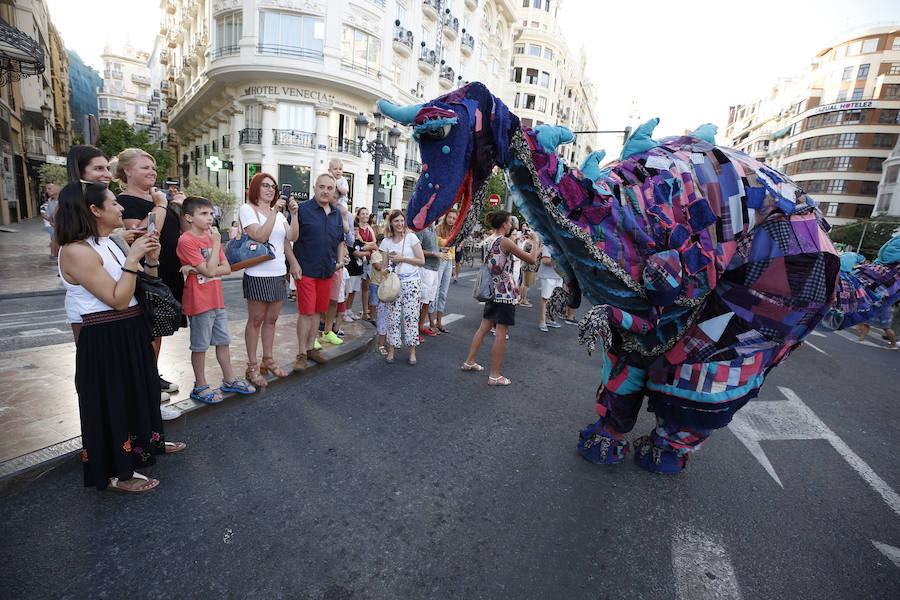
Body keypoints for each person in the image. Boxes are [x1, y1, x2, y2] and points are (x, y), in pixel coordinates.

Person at [55, 181, 185, 493]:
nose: (122, 207)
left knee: (140, 391)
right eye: (114, 203)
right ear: (94, 210)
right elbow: (116, 299)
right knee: (112, 402)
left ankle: (148, 446)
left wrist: (150, 258)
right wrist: (132, 258)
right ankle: (116, 474)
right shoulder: (75, 251)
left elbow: (141, 283)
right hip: (104, 335)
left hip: (130, 328)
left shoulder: (111, 242)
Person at [112, 148, 185, 401]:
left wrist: (179, 207)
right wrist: (162, 205)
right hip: (145, 274)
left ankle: (151, 373)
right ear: (127, 171)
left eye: (153, 168)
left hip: (166, 273)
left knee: (158, 328)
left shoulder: (156, 200)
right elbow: (147, 232)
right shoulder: (125, 202)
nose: (152, 172)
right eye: (145, 167)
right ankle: (144, 379)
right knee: (146, 330)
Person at [177, 196, 257, 403]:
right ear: (189, 217)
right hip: (198, 301)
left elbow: (227, 268)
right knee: (200, 346)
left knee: (223, 342)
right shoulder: (187, 240)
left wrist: (200, 267)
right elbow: (212, 269)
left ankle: (229, 379)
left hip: (216, 299)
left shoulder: (210, 237)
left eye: (211, 213)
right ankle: (200, 385)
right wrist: (212, 252)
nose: (210, 218)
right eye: (203, 214)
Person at [462, 210, 539, 385]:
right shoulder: (505, 241)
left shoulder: (489, 240)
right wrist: (535, 242)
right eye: (510, 222)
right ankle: (494, 375)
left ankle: (469, 362)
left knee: (483, 328)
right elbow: (532, 259)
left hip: (491, 291)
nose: (511, 225)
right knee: (500, 334)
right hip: (504, 293)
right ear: (505, 225)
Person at [238, 172, 299, 387]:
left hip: (277, 273)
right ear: (255, 187)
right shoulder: (248, 209)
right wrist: (275, 211)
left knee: (272, 321)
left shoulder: (280, 214)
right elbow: (260, 235)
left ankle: (268, 360)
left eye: (273, 186)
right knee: (255, 321)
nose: (270, 189)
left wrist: (294, 215)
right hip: (257, 274)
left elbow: (291, 238)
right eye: (265, 185)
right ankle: (252, 366)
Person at [287, 173, 350, 372]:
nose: (325, 191)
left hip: (327, 271)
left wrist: (339, 261)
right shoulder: (301, 210)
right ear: (314, 188)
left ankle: (310, 347)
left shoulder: (336, 214)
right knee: (305, 312)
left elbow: (340, 240)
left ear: (334, 192)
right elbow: (288, 239)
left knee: (317, 312)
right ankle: (301, 353)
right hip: (305, 270)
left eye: (329, 188)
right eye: (321, 187)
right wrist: (293, 264)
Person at [379, 209, 425, 364]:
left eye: (401, 220)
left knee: (411, 318)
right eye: (396, 221)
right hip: (394, 285)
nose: (399, 224)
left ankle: (412, 352)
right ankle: (391, 350)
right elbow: (383, 267)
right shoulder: (386, 242)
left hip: (411, 283)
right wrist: (385, 273)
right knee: (393, 318)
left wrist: (402, 259)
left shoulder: (411, 238)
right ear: (390, 223)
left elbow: (421, 261)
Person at [433, 209, 458, 331]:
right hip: (439, 260)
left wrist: (453, 266)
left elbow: (452, 250)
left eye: (454, 218)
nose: (451, 220)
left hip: (448, 262)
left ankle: (439, 322)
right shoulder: (438, 228)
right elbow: (434, 245)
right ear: (445, 217)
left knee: (444, 293)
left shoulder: (454, 230)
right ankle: (431, 323)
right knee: (435, 291)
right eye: (450, 217)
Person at [416, 222, 442, 336]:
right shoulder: (421, 228)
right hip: (425, 269)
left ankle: (420, 327)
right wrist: (435, 253)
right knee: (421, 301)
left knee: (429, 300)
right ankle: (415, 330)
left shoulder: (432, 227)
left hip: (434, 269)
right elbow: (416, 250)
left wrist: (440, 251)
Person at [368, 235, 388, 353]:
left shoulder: (386, 254)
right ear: (378, 243)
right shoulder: (375, 254)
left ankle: (377, 320)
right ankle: (372, 318)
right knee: (374, 302)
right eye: (381, 243)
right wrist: (386, 264)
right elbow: (378, 266)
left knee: (381, 304)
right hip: (375, 282)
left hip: (384, 284)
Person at [355, 207, 377, 319]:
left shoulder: (369, 228)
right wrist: (368, 245)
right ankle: (347, 310)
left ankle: (365, 311)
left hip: (368, 260)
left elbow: (374, 243)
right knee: (352, 287)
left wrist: (365, 245)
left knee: (366, 286)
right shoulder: (356, 228)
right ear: (358, 215)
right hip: (358, 260)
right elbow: (359, 243)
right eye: (362, 214)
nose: (365, 216)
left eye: (366, 214)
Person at [537, 244, 563, 332]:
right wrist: (561, 262)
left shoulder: (562, 245)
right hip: (547, 275)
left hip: (559, 276)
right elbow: (545, 260)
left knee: (554, 300)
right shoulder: (548, 244)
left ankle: (550, 319)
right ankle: (542, 321)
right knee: (545, 298)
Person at [519, 225, 538, 307]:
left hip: (525, 265)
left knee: (524, 283)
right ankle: (523, 299)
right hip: (528, 265)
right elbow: (534, 254)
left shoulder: (527, 241)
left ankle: (522, 298)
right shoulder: (529, 243)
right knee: (525, 283)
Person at [40, 183, 60, 259]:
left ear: (56, 189)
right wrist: (51, 221)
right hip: (55, 226)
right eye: (46, 189)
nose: (47, 191)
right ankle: (55, 255)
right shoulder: (50, 201)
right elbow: (48, 214)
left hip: (64, 225)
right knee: (55, 239)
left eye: (49, 188)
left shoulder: (63, 199)